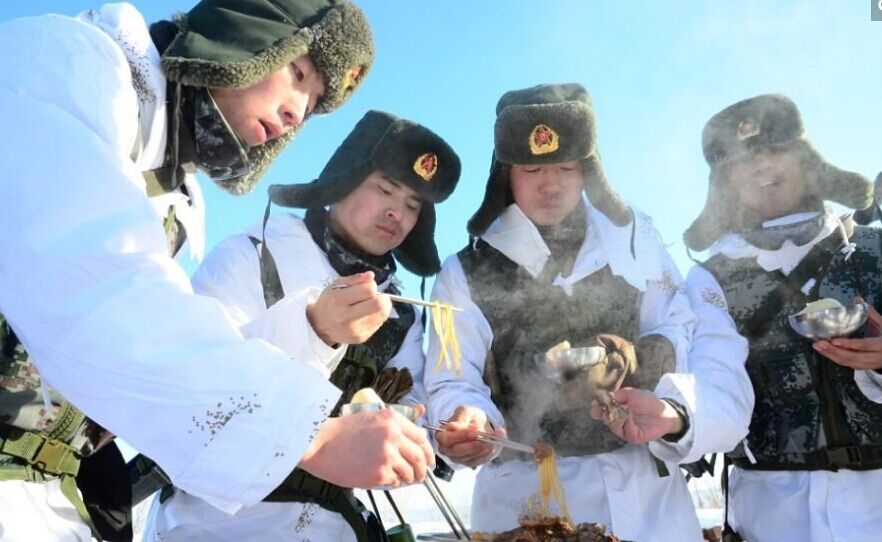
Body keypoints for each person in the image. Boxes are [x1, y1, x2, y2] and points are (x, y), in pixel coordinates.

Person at [0, 1, 428, 540]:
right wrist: (306, 432)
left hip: (55, 487)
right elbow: (94, 279)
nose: (297, 113)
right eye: (297, 74)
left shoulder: (178, 195)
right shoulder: (64, 64)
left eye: (313, 103)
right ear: (249, 34)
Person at [145, 109, 461, 542]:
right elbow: (192, 384)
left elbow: (412, 413)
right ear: (344, 180)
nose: (397, 213)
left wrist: (446, 435)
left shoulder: (402, 314)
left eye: (412, 205)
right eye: (385, 189)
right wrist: (314, 330)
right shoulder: (253, 255)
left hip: (337, 527)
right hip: (214, 522)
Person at [423, 83, 712, 542]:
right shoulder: (464, 271)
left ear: (589, 169)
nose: (551, 185)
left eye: (567, 167)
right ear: (504, 173)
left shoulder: (637, 242)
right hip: (523, 498)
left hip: (647, 495)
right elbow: (453, 379)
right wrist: (470, 420)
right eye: (531, 168)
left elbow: (681, 330)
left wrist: (634, 361)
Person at [683, 94, 882, 542]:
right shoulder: (708, 280)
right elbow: (710, 386)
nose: (761, 167)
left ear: (806, 158)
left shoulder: (875, 250)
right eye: (741, 161)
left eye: (775, 150)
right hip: (770, 514)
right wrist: (675, 418)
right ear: (723, 182)